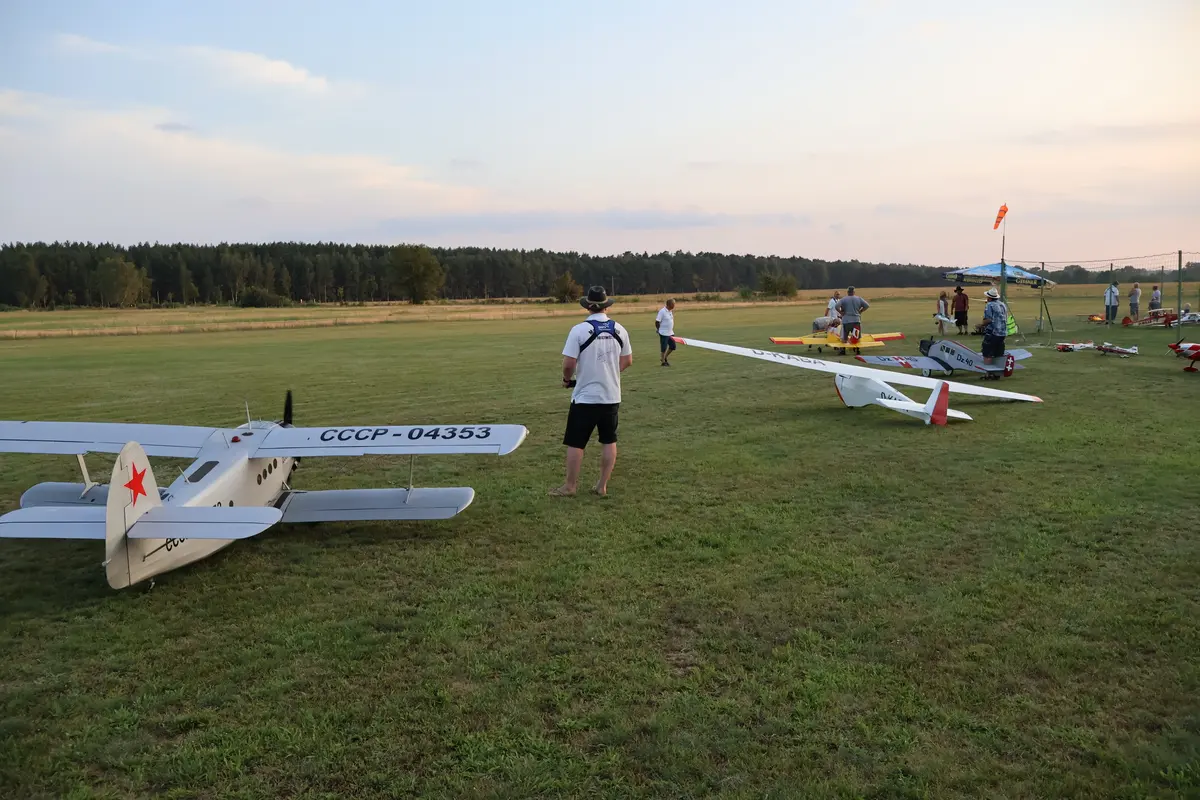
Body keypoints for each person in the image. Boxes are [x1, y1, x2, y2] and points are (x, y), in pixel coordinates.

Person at [550, 286, 632, 498]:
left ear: (588, 306)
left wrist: (567, 380)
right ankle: (602, 486)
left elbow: (569, 363)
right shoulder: (620, 329)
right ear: (606, 306)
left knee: (576, 442)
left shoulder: (578, 330)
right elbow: (627, 361)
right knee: (609, 441)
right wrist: (609, 372)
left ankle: (570, 486)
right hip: (611, 395)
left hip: (585, 396)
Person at [835, 286, 869, 350]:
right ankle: (857, 350)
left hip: (846, 321)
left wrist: (841, 312)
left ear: (848, 292)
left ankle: (843, 350)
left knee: (844, 337)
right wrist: (860, 311)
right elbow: (867, 305)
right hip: (856, 320)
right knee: (856, 337)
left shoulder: (843, 299)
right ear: (854, 292)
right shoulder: (859, 298)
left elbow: (836, 306)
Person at [981, 287, 1009, 365]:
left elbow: (988, 319)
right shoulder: (1002, 304)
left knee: (987, 352)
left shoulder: (989, 305)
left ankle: (988, 370)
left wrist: (981, 325)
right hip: (1003, 333)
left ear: (989, 298)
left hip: (993, 333)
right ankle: (998, 370)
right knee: (999, 353)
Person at [655, 298, 676, 366]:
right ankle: (663, 362)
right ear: (669, 304)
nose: (674, 305)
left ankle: (664, 357)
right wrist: (658, 329)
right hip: (663, 332)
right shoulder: (662, 311)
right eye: (673, 304)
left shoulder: (670, 311)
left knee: (673, 346)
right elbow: (657, 321)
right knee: (664, 347)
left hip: (670, 332)